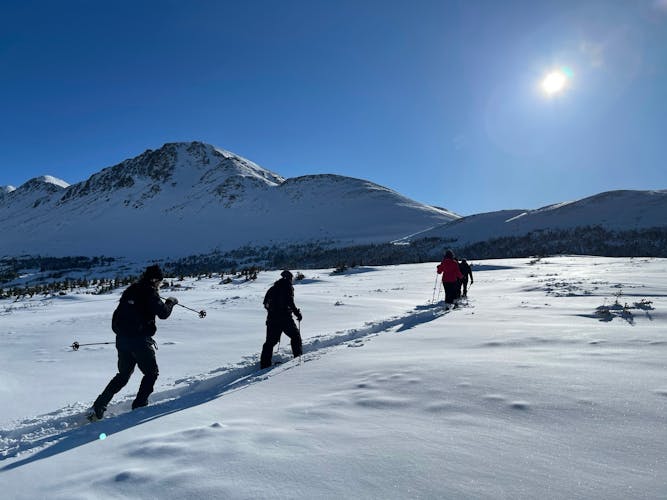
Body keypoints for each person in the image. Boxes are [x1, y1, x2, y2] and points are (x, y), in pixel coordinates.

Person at [88, 264, 177, 421]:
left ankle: (99, 405)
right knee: (151, 373)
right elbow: (163, 313)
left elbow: (119, 314)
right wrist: (170, 302)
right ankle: (139, 405)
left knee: (123, 375)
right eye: (160, 282)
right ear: (156, 280)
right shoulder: (150, 292)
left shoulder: (131, 289)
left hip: (122, 339)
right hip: (140, 341)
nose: (159, 285)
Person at [260, 270, 303, 369]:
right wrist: (297, 314)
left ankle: (264, 364)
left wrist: (272, 312)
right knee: (295, 336)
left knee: (270, 342)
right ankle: (298, 357)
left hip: (271, 319)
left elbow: (265, 304)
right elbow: (290, 302)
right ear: (289, 278)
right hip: (285, 318)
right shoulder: (287, 287)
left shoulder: (272, 288)